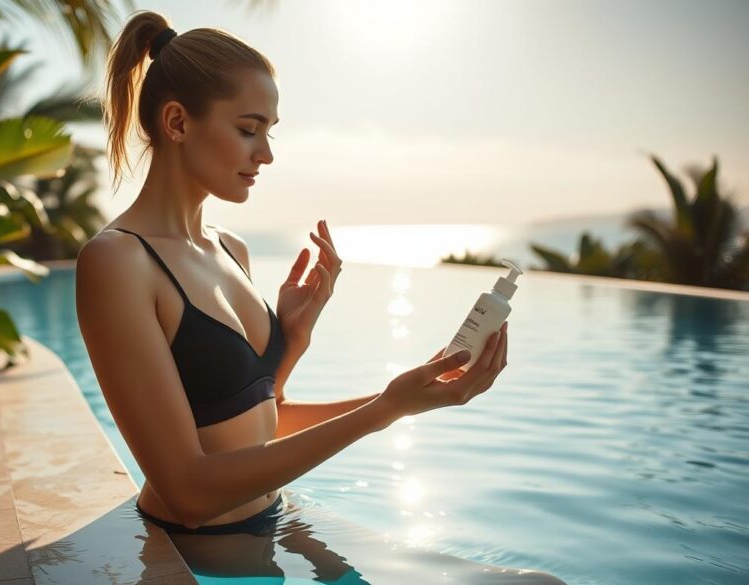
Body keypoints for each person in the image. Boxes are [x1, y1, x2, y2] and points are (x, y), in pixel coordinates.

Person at [75, 10, 565, 583]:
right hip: (201, 560)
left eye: (270, 131)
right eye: (248, 128)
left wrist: (297, 344)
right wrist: (386, 409)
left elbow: (259, 422)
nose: (267, 154)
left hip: (275, 529)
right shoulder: (117, 262)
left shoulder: (230, 249)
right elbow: (188, 491)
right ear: (178, 122)